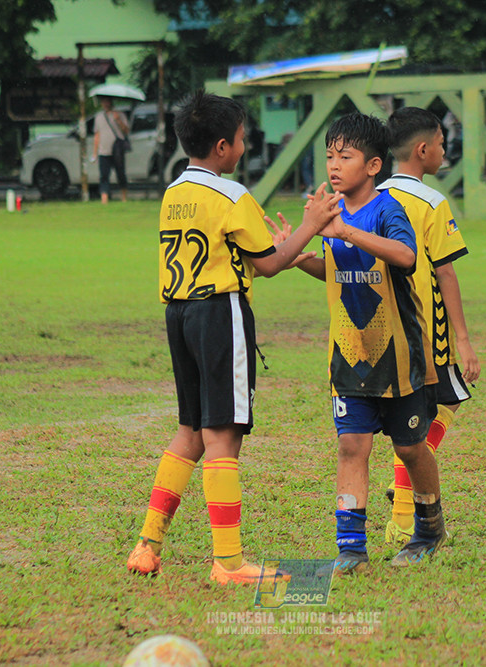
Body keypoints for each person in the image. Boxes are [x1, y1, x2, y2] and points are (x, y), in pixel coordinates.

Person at [126, 90, 342, 585]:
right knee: (222, 435)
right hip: (218, 314)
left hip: (177, 314)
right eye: (242, 139)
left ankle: (147, 543)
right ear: (223, 146)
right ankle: (228, 563)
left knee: (190, 430)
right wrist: (311, 225)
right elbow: (266, 264)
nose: (245, 147)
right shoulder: (232, 195)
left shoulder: (174, 192)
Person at [297, 113, 447, 573]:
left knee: (410, 448)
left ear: (374, 165)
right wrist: (298, 255)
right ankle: (351, 551)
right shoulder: (328, 210)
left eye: (346, 156)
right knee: (351, 447)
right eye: (329, 156)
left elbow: (406, 255)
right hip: (349, 354)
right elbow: (336, 267)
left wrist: (345, 231)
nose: (334, 166)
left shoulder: (386, 209)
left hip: (399, 358)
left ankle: (429, 526)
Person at [378, 107, 481, 546]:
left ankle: (407, 480)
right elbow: (446, 273)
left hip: (379, 329)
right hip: (424, 331)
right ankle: (404, 512)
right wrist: (462, 339)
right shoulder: (432, 202)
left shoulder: (371, 195)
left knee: (436, 406)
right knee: (426, 418)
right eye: (440, 143)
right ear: (423, 150)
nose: (443, 150)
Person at [92, 96, 131, 204]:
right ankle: (104, 199)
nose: (105, 104)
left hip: (117, 150)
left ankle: (124, 197)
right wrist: (95, 153)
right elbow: (97, 135)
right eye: (103, 102)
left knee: (121, 174)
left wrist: (118, 120)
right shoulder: (99, 117)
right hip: (103, 151)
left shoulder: (120, 115)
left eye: (107, 101)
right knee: (104, 175)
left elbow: (126, 131)